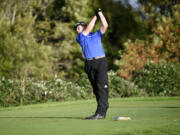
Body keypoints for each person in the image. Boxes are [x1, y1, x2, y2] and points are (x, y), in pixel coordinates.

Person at [74, 8, 109, 120]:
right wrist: (95, 15)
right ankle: (101, 109)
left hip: (100, 62)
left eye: (78, 27)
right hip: (89, 64)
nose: (77, 30)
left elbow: (105, 25)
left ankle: (101, 112)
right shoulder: (80, 37)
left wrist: (100, 13)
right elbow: (88, 28)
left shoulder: (96, 35)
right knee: (96, 88)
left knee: (101, 87)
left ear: (83, 26)